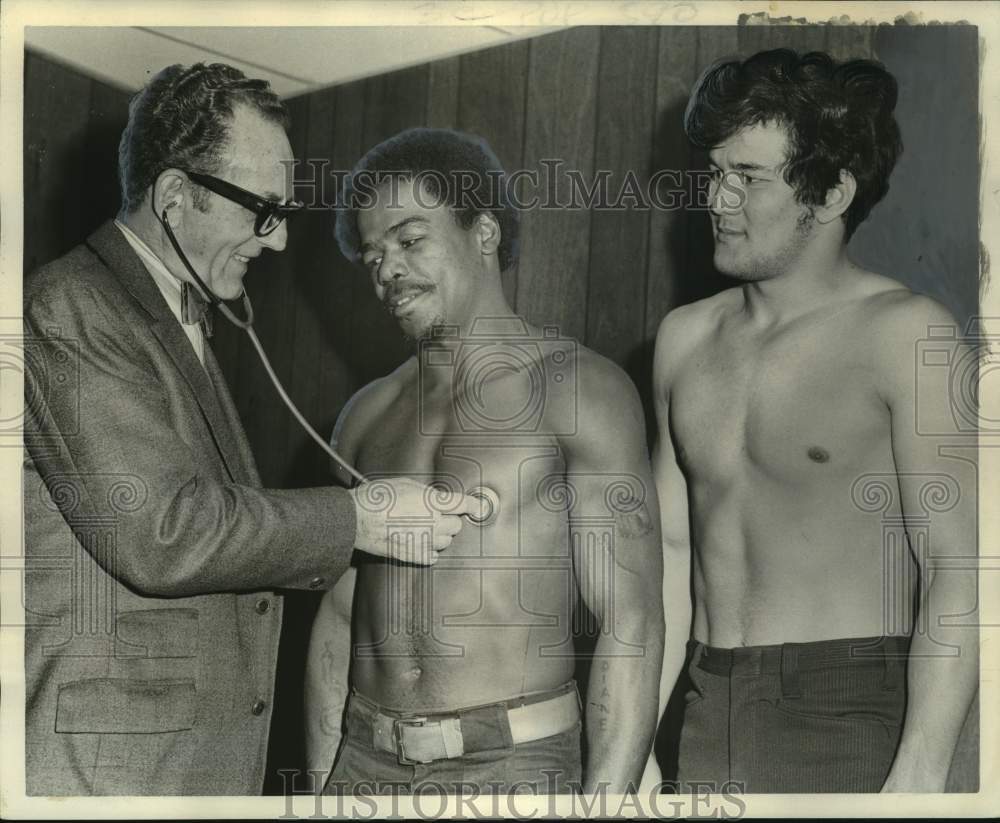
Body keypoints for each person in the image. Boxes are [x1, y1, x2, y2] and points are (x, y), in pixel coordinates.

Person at [23, 63, 476, 796]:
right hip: (108, 776)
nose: (277, 242)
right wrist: (358, 517)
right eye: (261, 210)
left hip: (173, 766)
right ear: (174, 197)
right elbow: (163, 531)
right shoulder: (68, 308)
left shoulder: (174, 314)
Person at [651, 49, 978, 793]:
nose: (717, 198)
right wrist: (636, 741)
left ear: (831, 193)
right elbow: (668, 554)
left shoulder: (904, 334)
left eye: (749, 177)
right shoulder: (683, 340)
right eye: (714, 172)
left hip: (849, 709)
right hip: (708, 708)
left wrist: (920, 774)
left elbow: (963, 573)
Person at [303, 128, 664, 795]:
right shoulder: (364, 415)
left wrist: (604, 805)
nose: (386, 270)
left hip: (511, 767)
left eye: (411, 240)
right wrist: (323, 780)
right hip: (364, 760)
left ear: (485, 232)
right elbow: (339, 614)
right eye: (373, 254)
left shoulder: (578, 389)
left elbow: (630, 620)